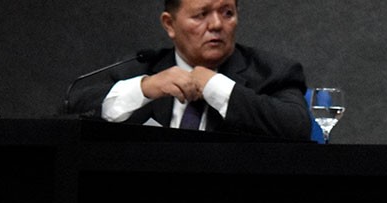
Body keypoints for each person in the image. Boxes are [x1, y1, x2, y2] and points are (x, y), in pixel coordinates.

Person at [74, 0, 311, 141]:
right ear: (170, 24)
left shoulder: (271, 71)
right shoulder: (141, 69)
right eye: (201, 15)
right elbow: (72, 110)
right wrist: (144, 88)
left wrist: (217, 87)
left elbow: (297, 128)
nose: (216, 24)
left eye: (227, 13)